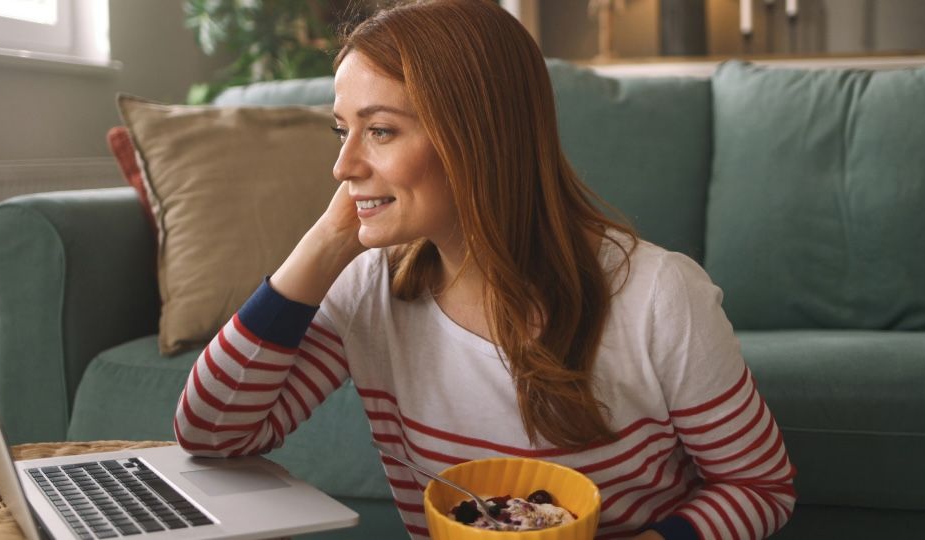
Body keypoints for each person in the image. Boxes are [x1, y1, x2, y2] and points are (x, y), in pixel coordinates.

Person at [173, 0, 796, 538]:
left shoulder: (659, 295)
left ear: (475, 138)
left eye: (381, 131)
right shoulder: (370, 288)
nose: (343, 164)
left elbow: (761, 487)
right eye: (343, 131)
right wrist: (331, 237)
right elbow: (212, 433)